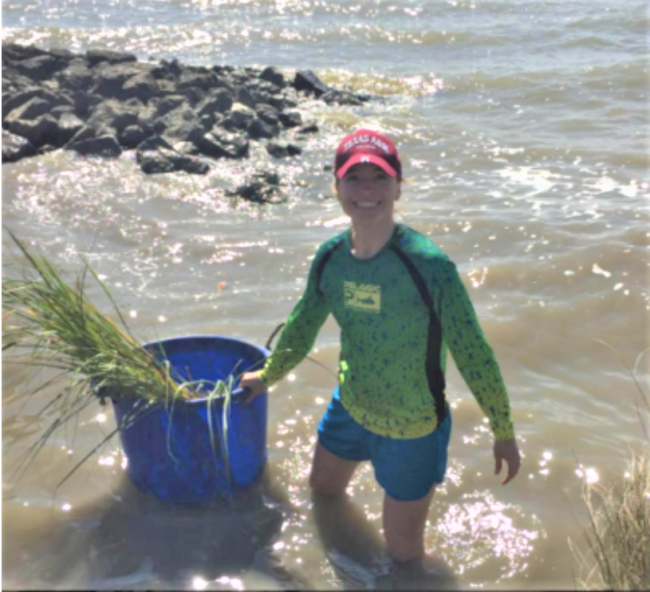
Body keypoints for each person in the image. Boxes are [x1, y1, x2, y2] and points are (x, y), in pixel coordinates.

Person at [240, 128, 521, 567]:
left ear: (398, 186)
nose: (366, 190)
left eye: (379, 177)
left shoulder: (429, 265)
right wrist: (268, 375)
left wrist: (502, 429)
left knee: (403, 553)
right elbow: (302, 325)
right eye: (354, 178)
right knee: (322, 492)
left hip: (413, 427)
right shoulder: (331, 258)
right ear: (337, 187)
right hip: (351, 404)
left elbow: (474, 353)